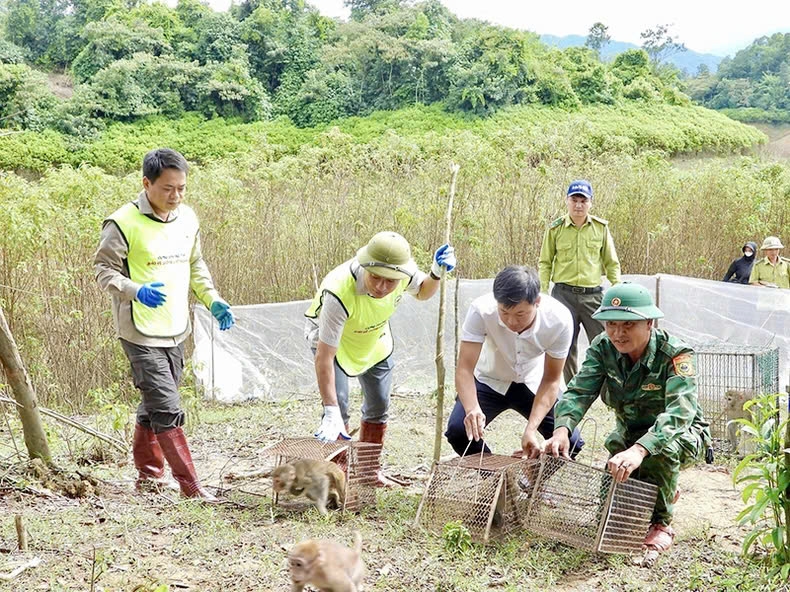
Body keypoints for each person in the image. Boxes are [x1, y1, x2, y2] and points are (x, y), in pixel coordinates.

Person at [95, 148, 235, 502]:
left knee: (154, 402)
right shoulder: (122, 222)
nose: (176, 196)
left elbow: (196, 264)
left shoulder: (187, 219)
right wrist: (135, 290)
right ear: (147, 183)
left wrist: (213, 299)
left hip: (176, 326)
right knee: (168, 406)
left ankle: (149, 477)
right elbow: (103, 270)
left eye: (182, 188)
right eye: (167, 189)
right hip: (140, 330)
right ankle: (191, 487)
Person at [543, 283, 712, 554]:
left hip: (681, 434)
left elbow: (680, 412)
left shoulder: (676, 354)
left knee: (661, 450)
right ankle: (659, 486)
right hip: (628, 434)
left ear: (649, 323)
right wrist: (562, 429)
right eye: (610, 324)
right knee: (611, 519)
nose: (618, 334)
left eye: (627, 325)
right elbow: (579, 391)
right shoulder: (603, 347)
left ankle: (661, 524)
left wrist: (639, 449)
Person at [305, 231, 456, 486]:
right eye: (375, 278)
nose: (382, 287)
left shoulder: (403, 274)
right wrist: (330, 410)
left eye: (391, 282)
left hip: (374, 340)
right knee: (338, 407)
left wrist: (436, 272)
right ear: (365, 266)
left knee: (379, 403)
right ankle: (338, 478)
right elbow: (324, 356)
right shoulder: (338, 291)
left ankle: (368, 472)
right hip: (335, 345)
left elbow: (423, 292)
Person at [445, 266, 584, 458]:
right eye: (504, 312)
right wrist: (472, 408)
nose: (511, 321)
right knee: (459, 431)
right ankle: (497, 479)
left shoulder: (559, 320)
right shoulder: (480, 310)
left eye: (520, 314)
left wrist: (530, 429)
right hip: (489, 380)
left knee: (570, 441)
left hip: (533, 382)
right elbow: (464, 369)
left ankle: (530, 480)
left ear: (537, 302)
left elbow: (551, 380)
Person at [538, 179, 621, 386]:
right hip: (563, 296)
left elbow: (611, 263)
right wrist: (542, 292)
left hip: (593, 295)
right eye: (574, 200)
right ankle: (572, 392)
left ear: (590, 203)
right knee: (564, 346)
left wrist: (617, 290)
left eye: (583, 201)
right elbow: (545, 262)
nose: (578, 205)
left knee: (606, 343)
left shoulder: (600, 228)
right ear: (567, 201)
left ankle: (609, 388)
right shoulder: (555, 229)